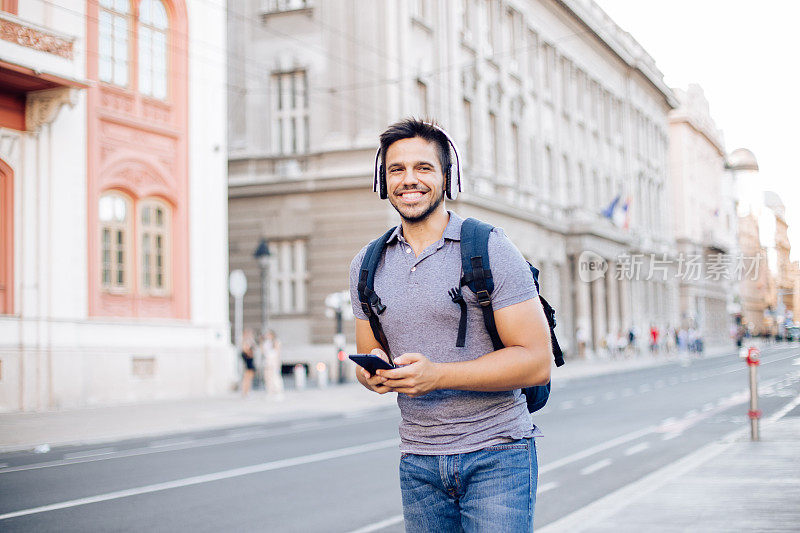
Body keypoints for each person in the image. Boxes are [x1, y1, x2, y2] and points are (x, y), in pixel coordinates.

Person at [349, 119, 551, 532]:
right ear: (382, 180)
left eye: (423, 168)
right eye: (396, 169)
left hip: (497, 454)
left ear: (446, 176)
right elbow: (368, 357)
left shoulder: (490, 248)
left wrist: (437, 376)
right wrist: (375, 375)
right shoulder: (366, 266)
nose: (409, 180)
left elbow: (536, 363)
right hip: (418, 462)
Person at [262, 329, 284, 398]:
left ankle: (278, 391)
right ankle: (270, 391)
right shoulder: (266, 342)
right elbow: (263, 352)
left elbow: (277, 353)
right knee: (267, 377)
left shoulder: (276, 341)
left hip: (274, 361)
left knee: (275, 377)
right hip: (267, 361)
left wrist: (277, 363)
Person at [240, 328, 256, 397]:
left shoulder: (246, 343)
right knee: (247, 379)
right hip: (249, 364)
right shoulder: (245, 344)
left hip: (249, 363)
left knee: (248, 379)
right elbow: (249, 352)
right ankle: (245, 392)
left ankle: (246, 391)